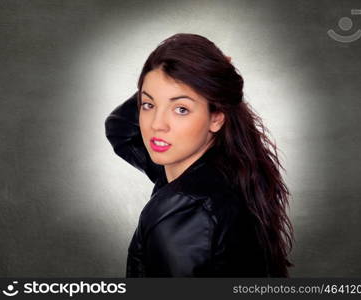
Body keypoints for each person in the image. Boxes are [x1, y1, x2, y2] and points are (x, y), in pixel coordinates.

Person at [105, 33, 294, 277]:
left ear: (216, 117)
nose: (157, 125)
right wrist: (190, 76)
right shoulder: (226, 170)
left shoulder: (183, 207)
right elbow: (120, 130)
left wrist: (199, 79)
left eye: (181, 109)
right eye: (148, 105)